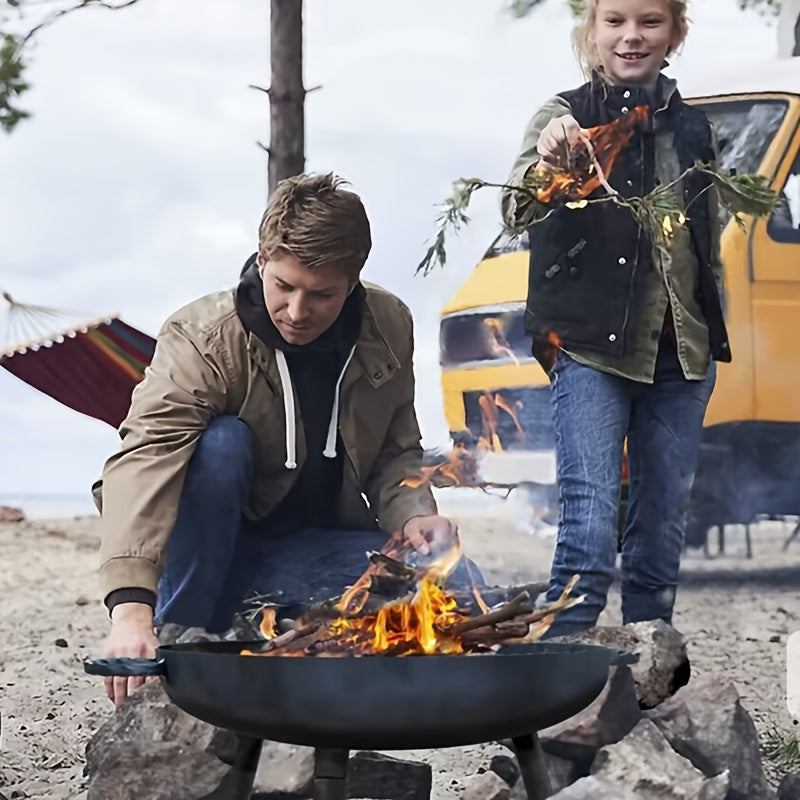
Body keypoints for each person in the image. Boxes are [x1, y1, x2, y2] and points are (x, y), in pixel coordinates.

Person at [96, 173, 465, 706]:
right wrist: (131, 610)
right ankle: (183, 634)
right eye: (284, 287)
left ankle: (274, 619)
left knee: (456, 587)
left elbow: (395, 452)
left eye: (322, 295)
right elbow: (145, 459)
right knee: (221, 445)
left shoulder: (389, 325)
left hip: (307, 548)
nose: (296, 312)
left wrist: (414, 515)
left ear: (354, 280)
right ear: (263, 260)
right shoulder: (201, 337)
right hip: (208, 553)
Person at [501, 0, 729, 636]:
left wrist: (711, 334)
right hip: (591, 352)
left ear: (674, 33)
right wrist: (551, 164)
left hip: (681, 355)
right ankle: (564, 685)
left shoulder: (696, 131)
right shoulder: (562, 117)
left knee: (660, 531)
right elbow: (516, 213)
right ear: (592, 31)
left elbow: (703, 246)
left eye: (650, 22)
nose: (633, 36)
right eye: (616, 21)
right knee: (590, 529)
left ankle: (646, 685)